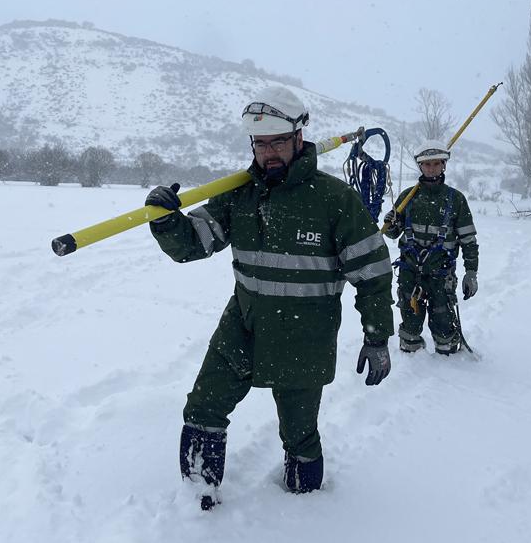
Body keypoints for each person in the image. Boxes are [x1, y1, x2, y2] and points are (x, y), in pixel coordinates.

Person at [144, 86, 394, 510]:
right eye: (260, 144)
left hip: (304, 339)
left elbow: (372, 273)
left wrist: (377, 336)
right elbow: (193, 244)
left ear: (299, 137)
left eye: (277, 141)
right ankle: (197, 502)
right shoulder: (240, 195)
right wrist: (166, 220)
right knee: (203, 407)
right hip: (243, 325)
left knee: (299, 435)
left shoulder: (333, 200)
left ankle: (305, 511)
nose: (269, 153)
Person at [382, 141, 479, 355]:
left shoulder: (456, 200)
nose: (432, 168)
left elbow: (469, 240)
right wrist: (392, 221)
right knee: (410, 320)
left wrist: (471, 273)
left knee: (443, 320)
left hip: (442, 273)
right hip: (410, 271)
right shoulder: (408, 197)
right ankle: (411, 357)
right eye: (427, 164)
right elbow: (391, 234)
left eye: (436, 163)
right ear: (420, 167)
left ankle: (449, 362)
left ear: (444, 165)